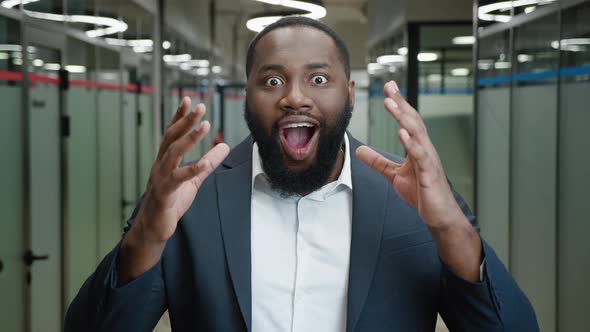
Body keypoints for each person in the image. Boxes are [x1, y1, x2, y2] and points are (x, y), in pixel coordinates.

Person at [65, 16, 538, 331]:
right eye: (271, 81)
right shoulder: (192, 198)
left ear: (349, 94)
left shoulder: (415, 198)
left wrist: (450, 227)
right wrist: (146, 233)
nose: (294, 97)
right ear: (246, 97)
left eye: (318, 78)